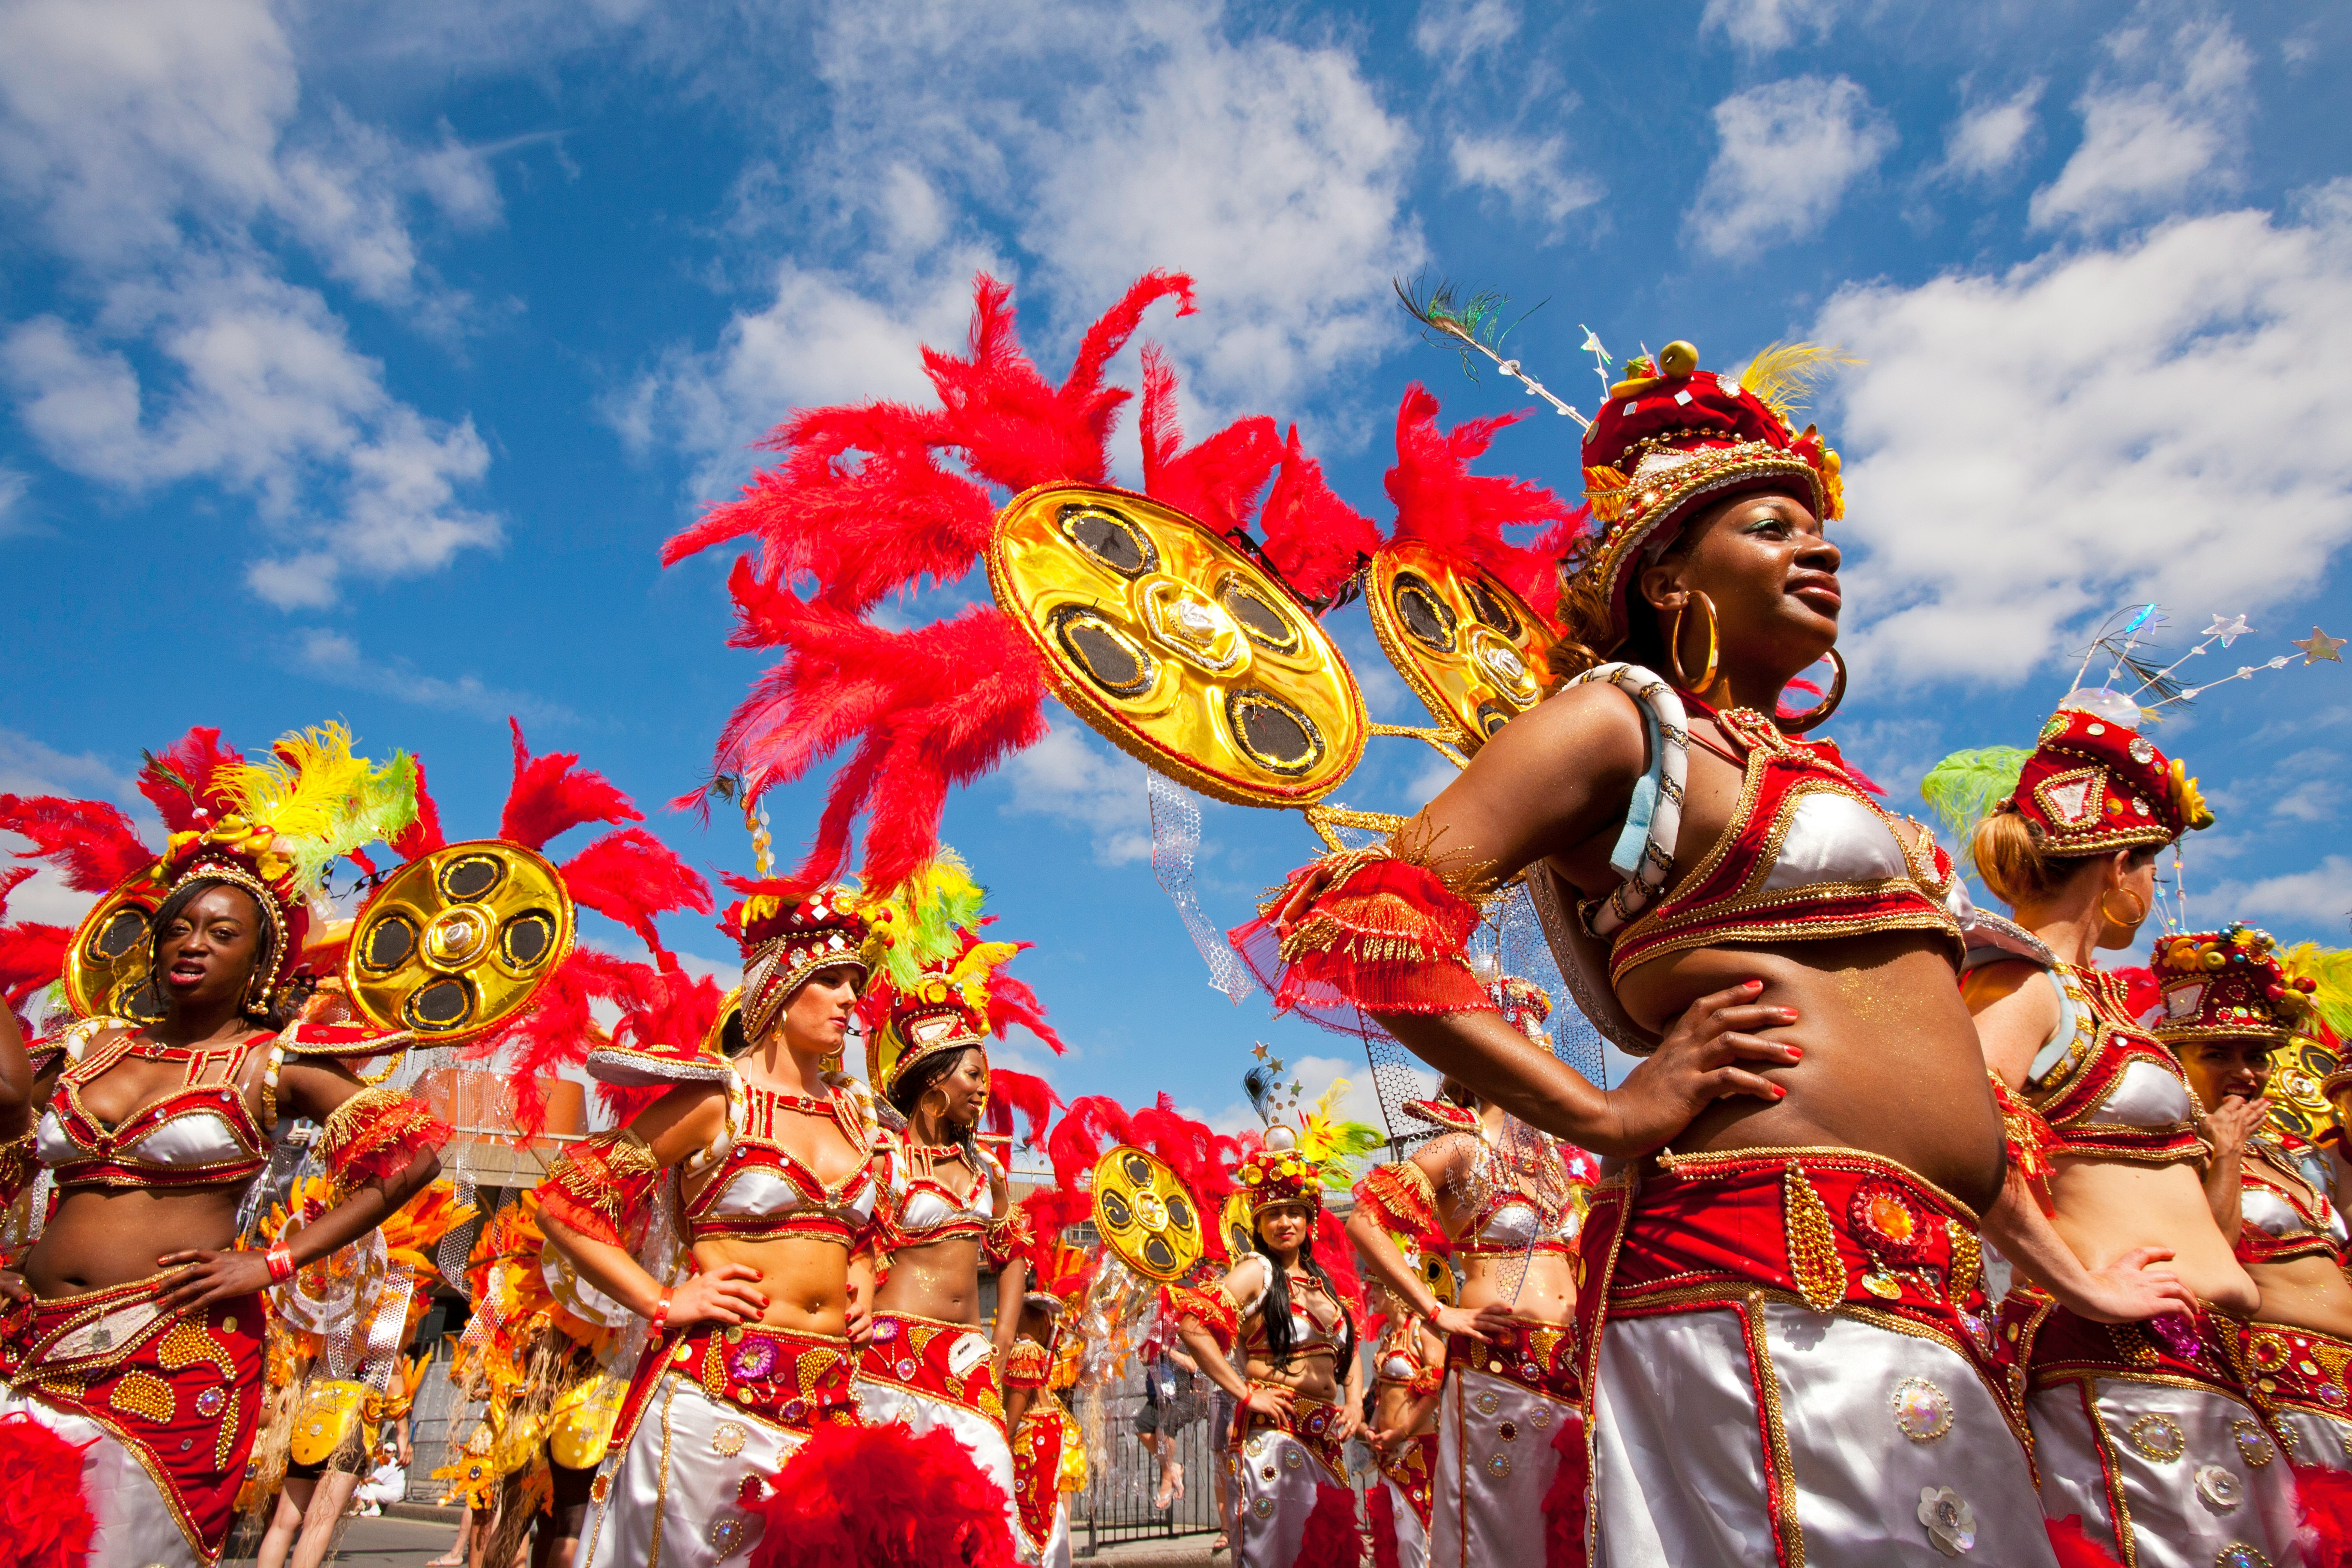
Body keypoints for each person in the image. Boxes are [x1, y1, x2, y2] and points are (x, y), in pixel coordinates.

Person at [1236, 342, 2193, 1567]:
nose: (1822, 546)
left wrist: (2073, 1274)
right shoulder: (1620, 723)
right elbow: (1361, 922)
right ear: (1670, 572)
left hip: (1929, 1304)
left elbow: (1950, 1078)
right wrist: (1606, 1112)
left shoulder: (1846, 792)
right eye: (1769, 523)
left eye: (1819, 526)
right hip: (1761, 1293)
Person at [0, 725, 449, 1568]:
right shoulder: (92, 1043)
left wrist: (271, 1264)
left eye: (220, 932)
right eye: (178, 927)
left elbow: (413, 1154)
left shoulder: (269, 1063)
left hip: (169, 1355)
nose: (192, 943)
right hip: (28, 1343)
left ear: (260, 962)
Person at [1933, 700, 2306, 1564]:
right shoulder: (2022, 982)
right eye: (2151, 866)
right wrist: (2078, 1285)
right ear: (2114, 866)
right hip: (2112, 1378)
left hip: (2200, 1368)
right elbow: (1960, 1137)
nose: (2152, 888)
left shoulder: (2102, 1008)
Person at [544, 877, 885, 1567]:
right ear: (782, 989)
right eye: (833, 980)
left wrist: (864, 1271)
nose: (853, 999)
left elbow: (864, 1230)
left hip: (832, 1405)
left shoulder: (856, 1113)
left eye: (857, 982)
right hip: (719, 1399)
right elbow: (565, 1202)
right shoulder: (716, 1100)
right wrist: (661, 1300)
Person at [1347, 976, 1589, 1567]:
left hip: (1574, 1365)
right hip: (1497, 1365)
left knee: (1571, 1533)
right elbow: (1364, 1220)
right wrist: (1437, 1310)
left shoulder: (1563, 1162)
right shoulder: (1463, 1146)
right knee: (1501, 1537)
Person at [855, 867, 1045, 1555]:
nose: (982, 1090)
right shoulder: (883, 1157)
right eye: (972, 1075)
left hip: (968, 1360)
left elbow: (1013, 1253)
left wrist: (996, 1342)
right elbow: (848, 1240)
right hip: (891, 1352)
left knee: (985, 1511)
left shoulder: (989, 1171)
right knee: (896, 1528)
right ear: (932, 1078)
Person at [2154, 926, 2352, 1468]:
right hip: (2286, 1391)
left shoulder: (2298, 1157)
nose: (2245, 1072)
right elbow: (2209, 1261)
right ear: (2174, 1061)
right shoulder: (2170, 1150)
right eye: (2218, 1053)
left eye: (2259, 1055)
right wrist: (2226, 1154)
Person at [1171, 1130, 1364, 1568]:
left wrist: (1354, 1402)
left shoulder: (1323, 1284)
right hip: (1275, 1435)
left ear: (1309, 1219)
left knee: (1326, 1555)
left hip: (1325, 1437)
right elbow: (1193, 1326)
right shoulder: (1256, 1270)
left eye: (1296, 1213)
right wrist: (1245, 1392)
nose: (1286, 1223)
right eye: (1274, 1214)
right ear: (1258, 1223)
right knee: (1277, 1555)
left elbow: (1348, 1352)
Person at [1360, 1276, 1444, 1568]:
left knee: (1417, 1538)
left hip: (1417, 1451)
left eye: (1376, 1285)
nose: (1369, 1293)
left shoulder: (1423, 1331)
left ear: (1394, 1291)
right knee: (1392, 1540)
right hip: (1387, 1454)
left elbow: (1435, 1387)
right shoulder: (1388, 1335)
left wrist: (1402, 1432)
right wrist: (1371, 1427)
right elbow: (1380, 1392)